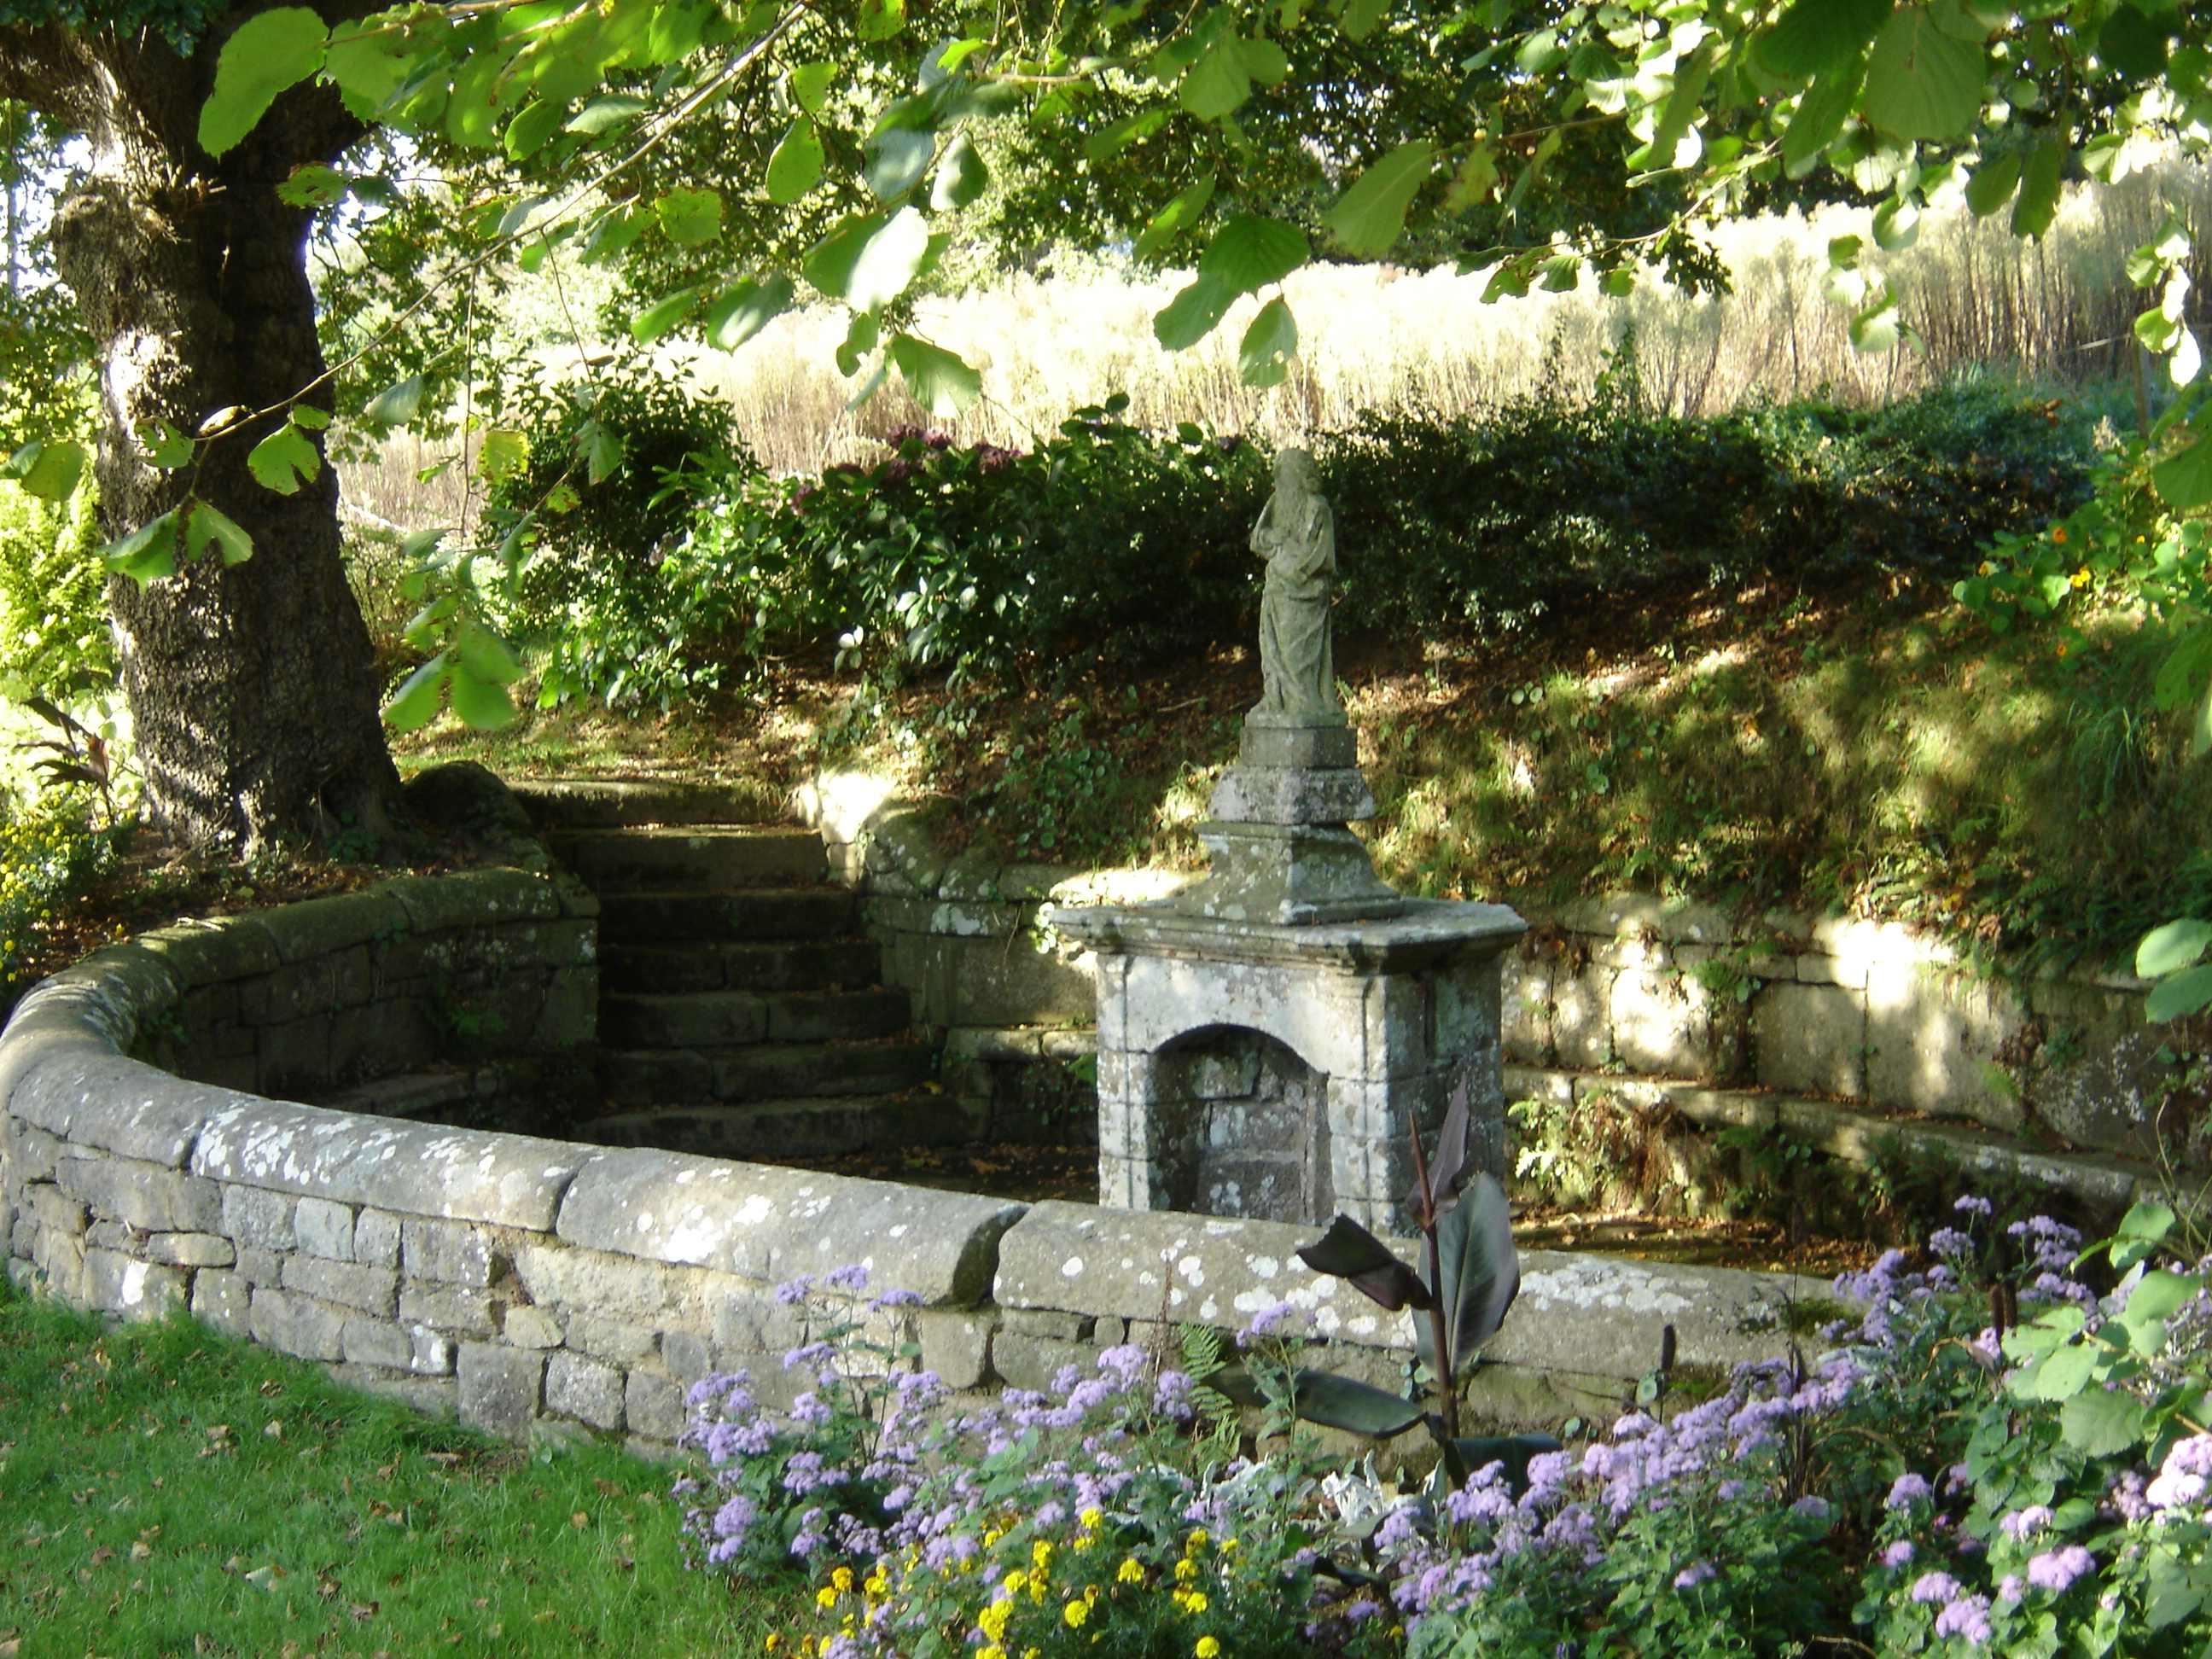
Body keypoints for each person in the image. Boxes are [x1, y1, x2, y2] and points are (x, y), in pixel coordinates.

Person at [1249, 446, 1341, 725]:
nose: (1277, 480)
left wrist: (1298, 570)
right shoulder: (1276, 502)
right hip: (1277, 589)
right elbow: (1257, 538)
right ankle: (1276, 698)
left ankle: (1303, 702)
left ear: (1299, 476)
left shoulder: (1317, 507)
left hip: (1305, 591)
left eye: (1283, 474)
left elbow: (1323, 555)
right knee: (1272, 648)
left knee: (1298, 653)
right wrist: (1272, 538)